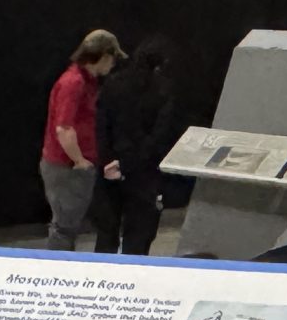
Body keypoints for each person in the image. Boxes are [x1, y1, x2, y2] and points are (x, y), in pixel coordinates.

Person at [92, 36, 181, 256]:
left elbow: (101, 126)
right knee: (139, 235)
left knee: (106, 234)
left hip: (109, 170)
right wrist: (129, 165)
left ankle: (101, 282)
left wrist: (108, 161)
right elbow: (160, 136)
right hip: (144, 172)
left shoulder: (113, 83)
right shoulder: (163, 91)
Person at [39, 28, 121, 249]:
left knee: (96, 222)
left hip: (78, 166)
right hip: (67, 168)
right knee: (65, 228)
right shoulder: (73, 83)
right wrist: (79, 161)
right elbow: (64, 129)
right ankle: (56, 274)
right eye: (112, 59)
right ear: (103, 56)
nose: (113, 65)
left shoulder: (87, 81)